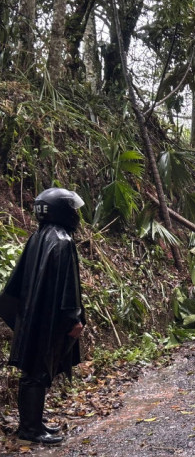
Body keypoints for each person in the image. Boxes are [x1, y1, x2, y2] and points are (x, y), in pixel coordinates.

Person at [0, 188, 86, 445]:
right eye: (72, 209)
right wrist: (74, 319)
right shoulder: (63, 241)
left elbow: (16, 285)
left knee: (33, 370)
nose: (75, 214)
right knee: (37, 372)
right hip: (48, 319)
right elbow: (68, 287)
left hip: (33, 316)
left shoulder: (38, 237)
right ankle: (30, 429)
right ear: (61, 210)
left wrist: (21, 318)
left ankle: (33, 423)